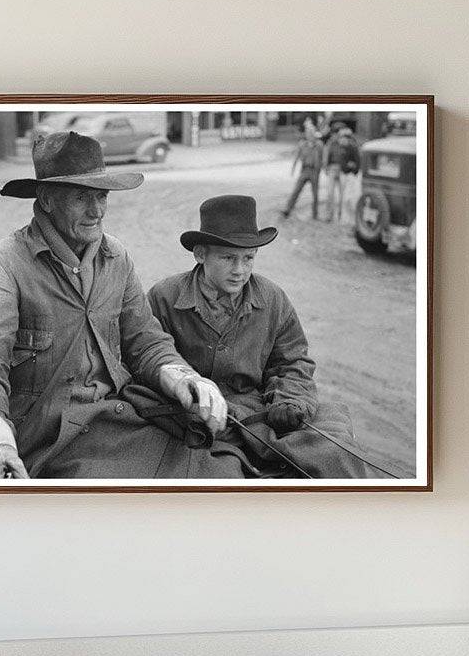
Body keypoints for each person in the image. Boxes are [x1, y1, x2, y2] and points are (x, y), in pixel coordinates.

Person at [0, 131, 243, 480]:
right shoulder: (4, 264)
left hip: (110, 420)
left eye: (102, 196)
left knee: (219, 464)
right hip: (44, 442)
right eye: (81, 197)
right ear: (46, 199)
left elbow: (145, 340)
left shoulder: (115, 256)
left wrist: (185, 378)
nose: (97, 210)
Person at [148, 194, 373, 479]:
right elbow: (148, 357)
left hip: (257, 417)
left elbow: (293, 363)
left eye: (248, 258)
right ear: (200, 253)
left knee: (335, 454)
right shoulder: (164, 297)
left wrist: (289, 402)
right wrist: (188, 397)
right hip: (188, 418)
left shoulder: (273, 298)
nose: (239, 270)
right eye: (228, 258)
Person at [281, 120, 325, 220]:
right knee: (296, 190)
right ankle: (287, 210)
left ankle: (315, 214)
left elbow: (323, 157)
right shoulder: (302, 144)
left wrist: (322, 168)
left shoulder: (319, 145)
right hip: (305, 170)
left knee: (315, 194)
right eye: (308, 133)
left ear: (314, 134)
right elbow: (297, 157)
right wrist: (293, 168)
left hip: (314, 171)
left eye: (311, 133)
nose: (309, 135)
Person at [324, 125, 362, 224]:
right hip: (336, 170)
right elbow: (329, 156)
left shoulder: (350, 146)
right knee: (331, 193)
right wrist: (327, 167)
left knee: (345, 196)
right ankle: (330, 215)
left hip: (345, 172)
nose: (339, 137)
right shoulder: (333, 144)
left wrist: (352, 168)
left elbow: (355, 161)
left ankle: (343, 216)